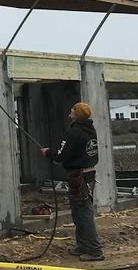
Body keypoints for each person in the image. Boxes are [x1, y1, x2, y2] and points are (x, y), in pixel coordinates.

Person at [42, 102, 104, 261]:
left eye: (72, 111)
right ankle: (83, 245)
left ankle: (94, 250)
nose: (70, 112)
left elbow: (62, 155)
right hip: (88, 174)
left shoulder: (74, 132)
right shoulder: (90, 130)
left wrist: (49, 153)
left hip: (79, 176)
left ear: (76, 115)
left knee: (84, 212)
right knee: (78, 211)